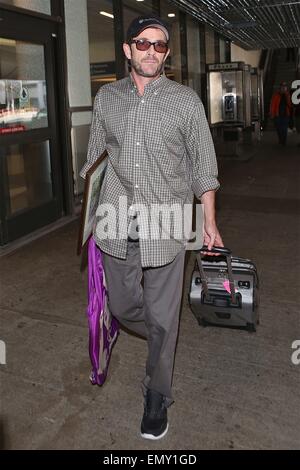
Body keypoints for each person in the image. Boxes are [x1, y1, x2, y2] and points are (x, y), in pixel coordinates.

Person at [80, 15, 223, 440]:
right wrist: (88, 213)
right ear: (127, 49)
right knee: (124, 309)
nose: (151, 52)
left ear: (166, 54)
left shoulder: (185, 102)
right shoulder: (107, 98)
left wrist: (209, 221)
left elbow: (204, 167)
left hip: (170, 224)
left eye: (159, 46)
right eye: (143, 44)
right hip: (115, 220)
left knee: (162, 316)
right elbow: (94, 161)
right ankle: (165, 334)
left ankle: (157, 392)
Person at [270, 82, 292, 146]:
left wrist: (287, 96)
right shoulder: (276, 95)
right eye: (282, 87)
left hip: (286, 115)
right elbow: (272, 105)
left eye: (284, 87)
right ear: (280, 88)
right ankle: (280, 139)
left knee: (284, 129)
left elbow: (290, 105)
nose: (283, 88)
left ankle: (283, 141)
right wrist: (272, 113)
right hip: (277, 115)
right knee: (279, 128)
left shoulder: (288, 95)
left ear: (286, 88)